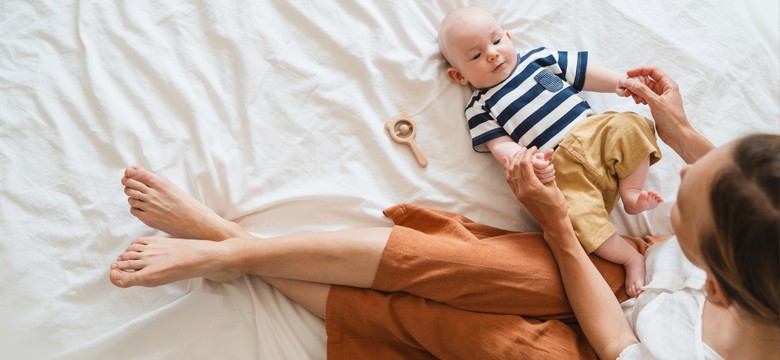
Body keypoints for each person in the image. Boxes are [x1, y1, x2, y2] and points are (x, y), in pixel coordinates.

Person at [110, 67, 779, 359]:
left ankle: (224, 242)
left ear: (713, 288)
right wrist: (686, 131)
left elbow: (611, 342)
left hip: (602, 341)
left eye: (686, 192)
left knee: (469, 336)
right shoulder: (762, 241)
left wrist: (555, 228)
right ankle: (236, 253)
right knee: (455, 264)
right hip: (614, 267)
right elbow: (750, 194)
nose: (683, 168)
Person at [437, 7, 662, 297]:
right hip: (560, 168)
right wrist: (529, 162)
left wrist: (618, 82)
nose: (492, 54)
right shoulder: (480, 108)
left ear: (508, 37)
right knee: (572, 219)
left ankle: (631, 193)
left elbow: (583, 75)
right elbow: (502, 146)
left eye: (495, 42)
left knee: (632, 124)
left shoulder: (537, 59)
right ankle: (630, 256)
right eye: (476, 56)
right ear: (458, 76)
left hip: (594, 133)